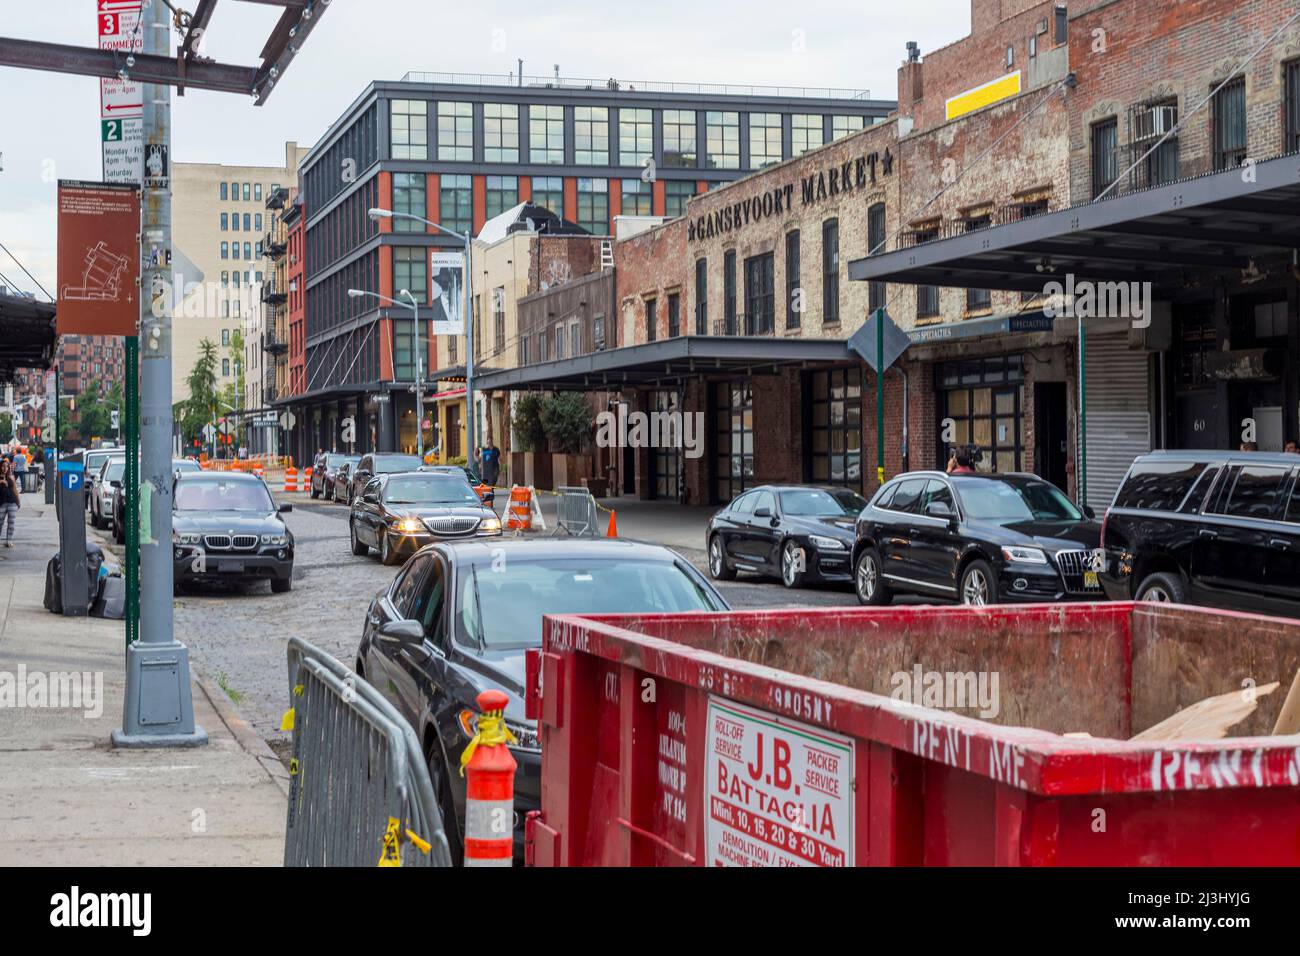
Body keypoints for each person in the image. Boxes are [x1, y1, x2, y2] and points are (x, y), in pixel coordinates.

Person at [0, 458, 19, 548]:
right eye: (3, 467)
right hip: (1, 503)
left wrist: (18, 501)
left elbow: (15, 490)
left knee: (11, 523)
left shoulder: (11, 477)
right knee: (0, 522)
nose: (5, 468)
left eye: (7, 467)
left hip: (12, 502)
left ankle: (9, 540)